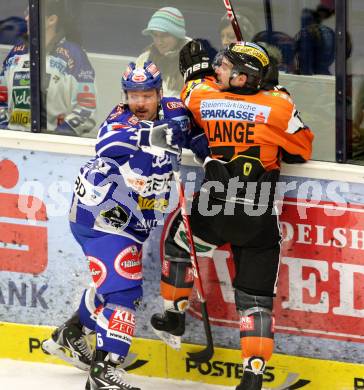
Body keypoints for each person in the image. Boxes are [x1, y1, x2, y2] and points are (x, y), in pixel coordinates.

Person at [150, 40, 314, 390]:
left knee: (179, 249)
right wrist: (277, 91)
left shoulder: (206, 99)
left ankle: (174, 315)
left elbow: (192, 87)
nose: (217, 69)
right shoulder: (279, 106)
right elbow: (302, 149)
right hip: (257, 215)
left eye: (224, 66)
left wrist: (196, 72)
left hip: (213, 208)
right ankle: (252, 377)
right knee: (255, 299)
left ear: (241, 78)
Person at [41, 61, 189, 390]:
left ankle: (70, 334)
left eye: (146, 95)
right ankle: (104, 371)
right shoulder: (119, 121)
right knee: (124, 292)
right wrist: (152, 135)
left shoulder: (174, 110)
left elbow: (195, 136)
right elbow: (105, 147)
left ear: (159, 93)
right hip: (102, 216)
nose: (139, 102)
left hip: (129, 221)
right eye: (133, 95)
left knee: (111, 285)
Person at [0, 0, 96, 135]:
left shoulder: (74, 55)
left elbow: (86, 108)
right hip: (16, 146)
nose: (26, 18)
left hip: (53, 148)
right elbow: (1, 98)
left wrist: (56, 138)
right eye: (26, 13)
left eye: (31, 13)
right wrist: (6, 132)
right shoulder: (16, 52)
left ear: (52, 20)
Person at [136, 7, 190, 98]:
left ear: (177, 35)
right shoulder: (144, 59)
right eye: (155, 35)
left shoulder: (194, 60)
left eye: (164, 35)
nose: (159, 42)